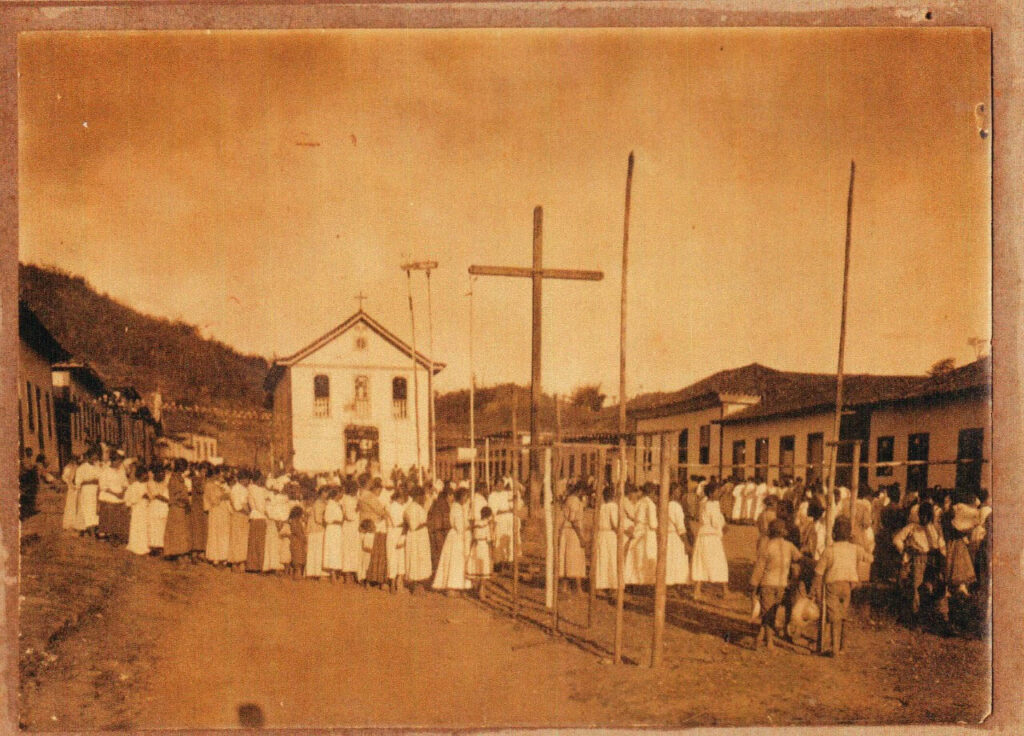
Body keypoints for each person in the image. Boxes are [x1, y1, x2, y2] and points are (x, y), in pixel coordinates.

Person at [814, 517, 873, 656]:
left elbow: (818, 572)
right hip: (848, 586)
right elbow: (870, 558)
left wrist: (814, 588)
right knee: (843, 615)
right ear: (849, 534)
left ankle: (833, 648)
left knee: (833, 616)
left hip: (833, 584)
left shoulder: (830, 550)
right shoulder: (855, 549)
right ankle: (842, 646)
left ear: (833, 533)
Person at [749, 519, 801, 652]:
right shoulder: (789, 546)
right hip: (782, 585)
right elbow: (799, 558)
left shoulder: (766, 547)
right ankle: (766, 641)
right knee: (771, 612)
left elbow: (759, 569)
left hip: (767, 583)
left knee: (768, 613)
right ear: (783, 533)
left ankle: (764, 641)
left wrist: (754, 586)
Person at [893, 500, 946, 628]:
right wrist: (906, 548)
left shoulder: (935, 529)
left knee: (933, 587)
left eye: (927, 516)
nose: (923, 518)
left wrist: (940, 557)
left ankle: (938, 615)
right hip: (917, 559)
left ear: (930, 517)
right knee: (916, 587)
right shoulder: (912, 528)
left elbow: (942, 546)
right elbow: (897, 539)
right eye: (922, 515)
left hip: (931, 560)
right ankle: (915, 615)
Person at [691, 483, 729, 599]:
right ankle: (725, 590)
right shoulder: (712, 505)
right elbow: (716, 522)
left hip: (703, 534)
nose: (719, 494)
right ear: (711, 493)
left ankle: (697, 590)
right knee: (718, 561)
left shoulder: (704, 502)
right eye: (717, 492)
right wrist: (724, 528)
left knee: (701, 561)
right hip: (711, 536)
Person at [433, 488, 472, 595]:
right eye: (465, 496)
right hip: (457, 537)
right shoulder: (456, 508)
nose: (466, 498)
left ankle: (459, 586)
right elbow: (460, 526)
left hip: (460, 537)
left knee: (460, 562)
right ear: (460, 497)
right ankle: (451, 587)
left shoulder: (461, 507)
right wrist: (469, 526)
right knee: (454, 562)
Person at [624, 484, 657, 588]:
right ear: (651, 492)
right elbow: (652, 523)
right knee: (647, 555)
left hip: (637, 530)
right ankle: (645, 582)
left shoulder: (638, 502)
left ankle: (633, 580)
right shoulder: (650, 504)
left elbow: (634, 516)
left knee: (635, 555)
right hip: (647, 532)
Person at [558, 482, 587, 595]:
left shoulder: (569, 499)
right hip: (573, 531)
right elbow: (574, 520)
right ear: (580, 491)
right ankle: (578, 588)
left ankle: (564, 586)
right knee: (575, 559)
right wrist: (581, 537)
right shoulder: (575, 501)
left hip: (566, 530)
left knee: (566, 558)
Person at [403, 487, 433, 592]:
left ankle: (420, 583)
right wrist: (427, 523)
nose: (424, 498)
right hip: (416, 537)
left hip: (421, 536)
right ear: (418, 496)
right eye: (423, 496)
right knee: (416, 559)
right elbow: (413, 525)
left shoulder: (418, 507)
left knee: (421, 559)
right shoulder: (412, 508)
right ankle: (416, 585)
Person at [163, 459, 192, 559]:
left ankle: (179, 551)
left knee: (180, 530)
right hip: (176, 506)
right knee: (176, 530)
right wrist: (184, 499)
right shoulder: (174, 479)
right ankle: (176, 552)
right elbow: (176, 494)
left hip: (180, 506)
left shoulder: (179, 478)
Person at [97, 452, 130, 543]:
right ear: (113, 461)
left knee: (123, 509)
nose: (119, 464)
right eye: (118, 462)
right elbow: (103, 487)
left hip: (120, 495)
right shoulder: (105, 471)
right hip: (109, 494)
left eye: (120, 462)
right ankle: (110, 533)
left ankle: (119, 533)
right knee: (110, 510)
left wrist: (123, 491)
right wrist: (116, 494)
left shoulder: (121, 471)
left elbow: (125, 483)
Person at [593, 485, 619, 596]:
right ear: (613, 495)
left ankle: (600, 585)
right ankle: (612, 586)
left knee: (602, 559)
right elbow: (615, 523)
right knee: (612, 560)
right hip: (610, 535)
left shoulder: (601, 507)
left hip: (601, 534)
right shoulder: (613, 506)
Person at [666, 483, 690, 592]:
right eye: (678, 491)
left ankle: (669, 584)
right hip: (675, 536)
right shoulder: (676, 506)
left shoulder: (664, 504)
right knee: (678, 559)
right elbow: (680, 526)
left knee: (669, 560)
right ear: (673, 492)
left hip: (666, 536)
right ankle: (677, 586)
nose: (680, 493)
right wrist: (686, 542)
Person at [205, 468, 232, 565]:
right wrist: (223, 496)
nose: (220, 476)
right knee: (216, 533)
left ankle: (223, 556)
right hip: (216, 511)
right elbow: (213, 500)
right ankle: (215, 557)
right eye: (218, 474)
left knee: (223, 533)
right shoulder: (209, 485)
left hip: (223, 511)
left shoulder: (219, 485)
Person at [386, 487, 408, 593]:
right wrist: (406, 523)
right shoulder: (393, 507)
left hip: (399, 532)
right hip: (395, 532)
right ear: (399, 497)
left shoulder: (401, 507)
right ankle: (393, 584)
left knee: (399, 558)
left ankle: (399, 583)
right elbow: (397, 522)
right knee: (394, 557)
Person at [467, 506, 494, 596]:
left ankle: (477, 589)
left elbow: (473, 536)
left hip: (476, 546)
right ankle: (482, 592)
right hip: (484, 546)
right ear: (488, 516)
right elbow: (490, 538)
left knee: (477, 568)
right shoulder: (487, 525)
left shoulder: (476, 524)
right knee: (484, 569)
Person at [125, 466, 151, 556]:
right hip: (137, 509)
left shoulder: (147, 485)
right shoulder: (134, 486)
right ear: (139, 476)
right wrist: (141, 496)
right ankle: (135, 546)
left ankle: (144, 546)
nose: (146, 477)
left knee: (144, 527)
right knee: (137, 527)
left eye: (146, 475)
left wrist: (147, 497)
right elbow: (129, 499)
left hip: (145, 508)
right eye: (144, 475)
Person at [227, 470, 250, 571]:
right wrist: (248, 513)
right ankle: (239, 562)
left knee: (235, 539)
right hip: (241, 514)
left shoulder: (233, 488)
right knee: (241, 539)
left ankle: (235, 563)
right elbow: (241, 505)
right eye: (247, 479)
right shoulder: (242, 490)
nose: (248, 481)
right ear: (243, 479)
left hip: (235, 515)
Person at [245, 473, 268, 573]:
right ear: (258, 480)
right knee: (259, 543)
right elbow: (261, 507)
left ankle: (251, 565)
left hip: (254, 516)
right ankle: (257, 565)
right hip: (260, 517)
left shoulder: (250, 489)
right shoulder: (257, 490)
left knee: (253, 542)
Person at [426, 482, 452, 570]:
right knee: (441, 553)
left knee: (435, 553)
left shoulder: (435, 503)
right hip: (440, 531)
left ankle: (436, 572)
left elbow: (429, 516)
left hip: (433, 531)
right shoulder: (444, 505)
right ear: (448, 495)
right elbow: (446, 520)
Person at [488, 481, 514, 568]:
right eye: (498, 485)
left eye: (501, 485)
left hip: (508, 520)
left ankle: (508, 561)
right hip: (499, 520)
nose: (500, 487)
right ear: (495, 486)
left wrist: (510, 509)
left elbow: (512, 506)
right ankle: (497, 562)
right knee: (498, 540)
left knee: (508, 540)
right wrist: (506, 510)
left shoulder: (506, 494)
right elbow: (494, 510)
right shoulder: (492, 496)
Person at [340, 481, 361, 582]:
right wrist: (357, 509)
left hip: (355, 527)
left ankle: (354, 572)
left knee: (355, 550)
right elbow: (349, 516)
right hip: (349, 527)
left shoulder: (355, 498)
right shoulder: (346, 499)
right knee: (348, 550)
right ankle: (347, 574)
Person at [305, 487, 328, 580]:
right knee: (315, 551)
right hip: (316, 529)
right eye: (326, 492)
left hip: (318, 529)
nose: (327, 495)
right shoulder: (318, 503)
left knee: (316, 551)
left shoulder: (323, 503)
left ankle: (315, 572)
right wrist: (327, 523)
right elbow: (318, 519)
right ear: (322, 493)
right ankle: (313, 573)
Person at [187, 465, 208, 562]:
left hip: (202, 507)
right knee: (195, 529)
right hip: (196, 507)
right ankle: (194, 553)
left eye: (205, 471)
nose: (204, 473)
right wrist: (203, 480)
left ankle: (200, 552)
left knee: (202, 530)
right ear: (199, 471)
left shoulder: (205, 480)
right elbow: (201, 490)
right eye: (203, 471)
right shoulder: (195, 479)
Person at [147, 465, 170, 553]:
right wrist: (169, 501)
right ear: (155, 474)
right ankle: (153, 547)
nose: (163, 475)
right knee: (154, 527)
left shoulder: (165, 482)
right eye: (160, 473)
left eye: (163, 473)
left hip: (164, 508)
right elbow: (157, 495)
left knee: (162, 526)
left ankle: (162, 546)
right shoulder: (151, 482)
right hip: (155, 507)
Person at [61, 455, 80, 531]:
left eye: (75, 460)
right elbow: (64, 477)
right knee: (70, 505)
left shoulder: (77, 467)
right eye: (73, 460)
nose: (74, 461)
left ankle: (76, 523)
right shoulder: (67, 467)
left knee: (76, 505)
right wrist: (69, 483)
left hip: (77, 487)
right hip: (71, 488)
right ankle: (69, 524)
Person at [288, 504, 307, 579]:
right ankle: (297, 574)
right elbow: (296, 531)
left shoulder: (298, 521)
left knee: (300, 557)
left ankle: (298, 574)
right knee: (297, 558)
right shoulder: (293, 522)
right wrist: (303, 537)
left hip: (299, 541)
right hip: (296, 541)